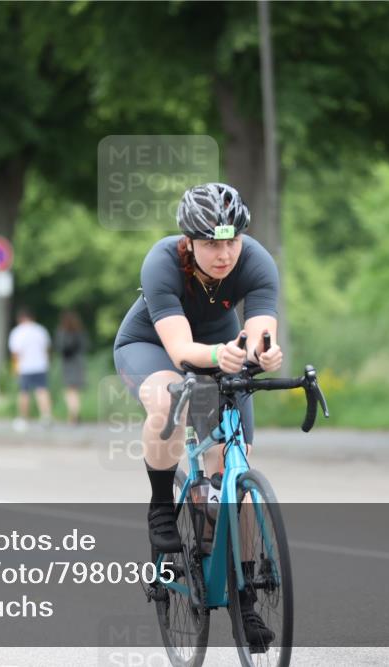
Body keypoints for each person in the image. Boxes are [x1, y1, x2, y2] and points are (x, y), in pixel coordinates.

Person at [113, 183, 283, 646]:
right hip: (152, 346)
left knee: (234, 471)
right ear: (189, 241)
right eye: (211, 243)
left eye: (232, 241)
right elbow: (182, 350)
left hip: (222, 351)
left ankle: (244, 600)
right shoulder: (163, 261)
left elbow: (260, 329)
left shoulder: (256, 261)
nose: (224, 253)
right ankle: (162, 505)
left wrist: (262, 352)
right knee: (168, 399)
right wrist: (225, 354)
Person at [8, 307, 53, 431]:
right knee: (42, 391)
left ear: (20, 319)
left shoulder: (17, 332)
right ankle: (46, 417)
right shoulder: (40, 330)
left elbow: (15, 353)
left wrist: (14, 368)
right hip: (40, 365)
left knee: (24, 393)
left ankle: (24, 418)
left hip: (25, 367)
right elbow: (47, 349)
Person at [55, 310, 88, 425]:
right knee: (76, 391)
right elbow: (85, 346)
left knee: (69, 391)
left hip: (68, 363)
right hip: (79, 362)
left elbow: (60, 348)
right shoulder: (80, 332)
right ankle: (74, 413)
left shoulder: (62, 332)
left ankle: (72, 414)